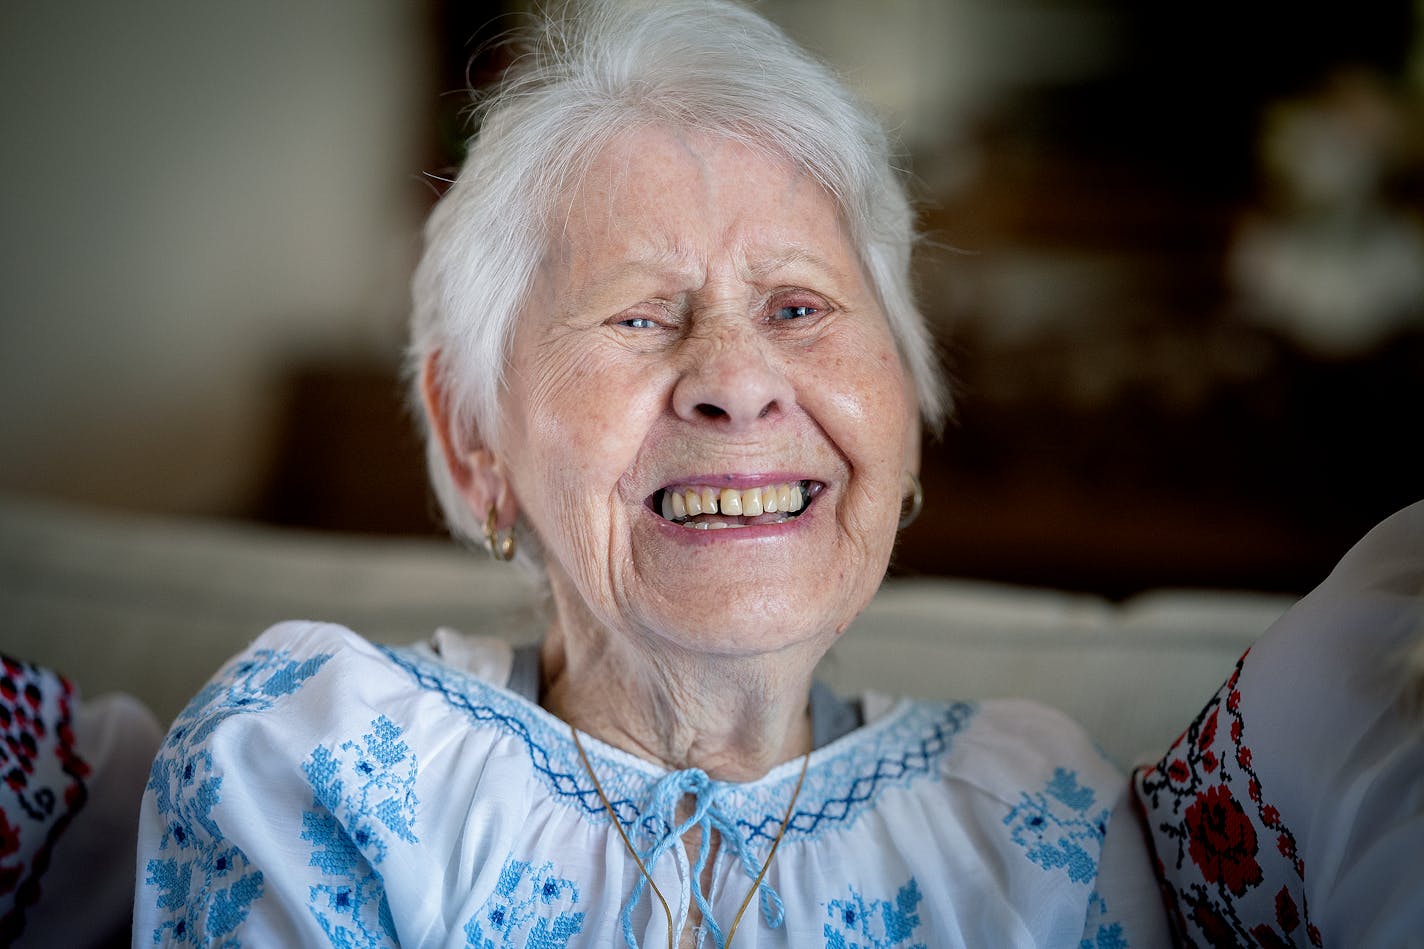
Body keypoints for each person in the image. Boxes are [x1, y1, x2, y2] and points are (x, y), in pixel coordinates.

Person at [133, 2, 1171, 945]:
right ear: (470, 438)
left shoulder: (1039, 827)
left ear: (901, 413)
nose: (736, 383)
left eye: (798, 308)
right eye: (639, 315)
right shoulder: (317, 766)